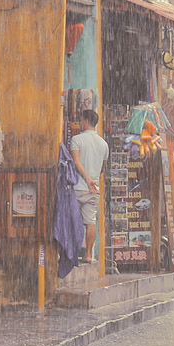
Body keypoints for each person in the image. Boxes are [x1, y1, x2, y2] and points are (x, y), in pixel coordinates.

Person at [69, 111, 109, 264]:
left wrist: (86, 179)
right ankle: (88, 254)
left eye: (80, 120)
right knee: (90, 222)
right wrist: (93, 180)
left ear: (85, 121)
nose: (80, 123)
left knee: (73, 220)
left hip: (78, 187)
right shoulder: (103, 144)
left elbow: (76, 162)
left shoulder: (76, 139)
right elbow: (103, 168)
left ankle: (71, 253)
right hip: (94, 189)